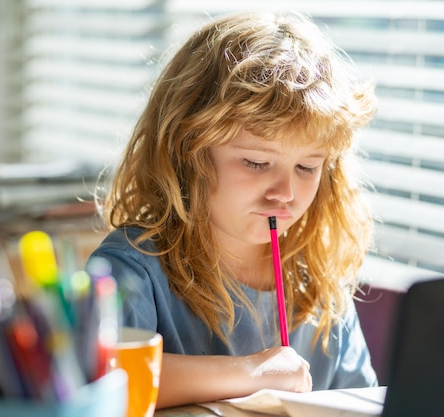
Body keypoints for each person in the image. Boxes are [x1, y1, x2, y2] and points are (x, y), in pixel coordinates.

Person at [87, 10, 378, 409]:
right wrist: (250, 372)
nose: (285, 193)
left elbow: (366, 402)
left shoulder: (320, 288)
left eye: (307, 167)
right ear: (185, 153)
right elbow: (101, 378)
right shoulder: (134, 270)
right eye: (256, 163)